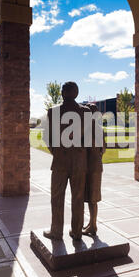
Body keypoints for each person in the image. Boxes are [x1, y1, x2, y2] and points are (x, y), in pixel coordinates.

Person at [43, 82, 91, 241]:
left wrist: (56, 152)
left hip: (60, 161)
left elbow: (47, 137)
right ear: (76, 94)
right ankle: (77, 231)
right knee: (78, 197)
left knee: (57, 197)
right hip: (79, 161)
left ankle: (56, 231)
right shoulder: (86, 112)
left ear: (63, 93)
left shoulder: (53, 111)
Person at [83, 104, 106, 236]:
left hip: (90, 167)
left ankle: (93, 225)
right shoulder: (98, 128)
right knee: (92, 197)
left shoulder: (87, 129)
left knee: (91, 198)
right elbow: (103, 148)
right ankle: (92, 223)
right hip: (97, 165)